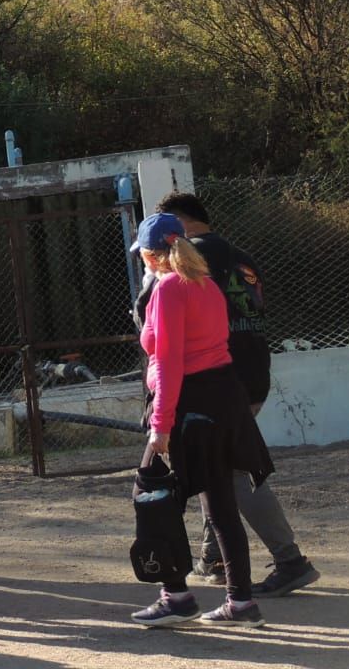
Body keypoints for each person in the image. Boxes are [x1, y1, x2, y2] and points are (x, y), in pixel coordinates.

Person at [155, 192, 320, 599]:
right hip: (253, 373)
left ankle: (290, 560)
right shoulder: (242, 256)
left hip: (217, 377)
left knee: (233, 470)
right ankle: (213, 557)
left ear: (179, 222)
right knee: (219, 463)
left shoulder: (189, 261)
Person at [130, 212, 272, 628]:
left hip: (190, 402)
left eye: (143, 255)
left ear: (153, 256)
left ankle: (175, 595)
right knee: (220, 503)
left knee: (151, 492)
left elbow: (169, 359)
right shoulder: (205, 284)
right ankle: (240, 603)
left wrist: (160, 424)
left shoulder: (170, 288)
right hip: (222, 396)